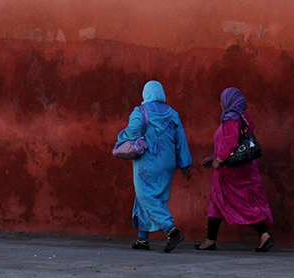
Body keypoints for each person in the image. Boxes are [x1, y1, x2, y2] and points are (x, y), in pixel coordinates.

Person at [116, 80, 193, 252]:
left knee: (145, 195)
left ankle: (171, 230)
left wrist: (122, 138)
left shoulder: (140, 112)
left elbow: (132, 132)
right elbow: (181, 140)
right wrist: (185, 164)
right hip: (167, 164)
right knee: (152, 197)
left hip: (147, 163)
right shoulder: (172, 114)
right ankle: (143, 239)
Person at [196, 87, 274, 252]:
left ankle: (264, 235)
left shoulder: (231, 118)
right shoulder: (243, 117)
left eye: (222, 100)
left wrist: (218, 160)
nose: (220, 104)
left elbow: (231, 142)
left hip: (230, 172)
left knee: (240, 202)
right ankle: (210, 240)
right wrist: (213, 157)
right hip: (242, 168)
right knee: (217, 202)